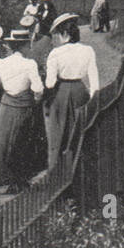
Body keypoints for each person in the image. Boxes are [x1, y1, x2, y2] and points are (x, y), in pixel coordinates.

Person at [0, 28, 44, 193]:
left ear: (11, 46)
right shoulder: (29, 64)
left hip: (6, 106)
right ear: (24, 46)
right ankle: (21, 177)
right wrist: (36, 99)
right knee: (23, 140)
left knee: (3, 140)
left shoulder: (1, 64)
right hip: (24, 106)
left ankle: (2, 176)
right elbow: (38, 88)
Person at [43, 13, 100, 171]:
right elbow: (94, 80)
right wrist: (93, 96)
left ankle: (58, 169)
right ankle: (79, 166)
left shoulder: (56, 53)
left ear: (65, 34)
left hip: (61, 92)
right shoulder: (88, 50)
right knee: (79, 129)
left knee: (58, 132)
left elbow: (50, 82)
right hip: (80, 91)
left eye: (59, 34)